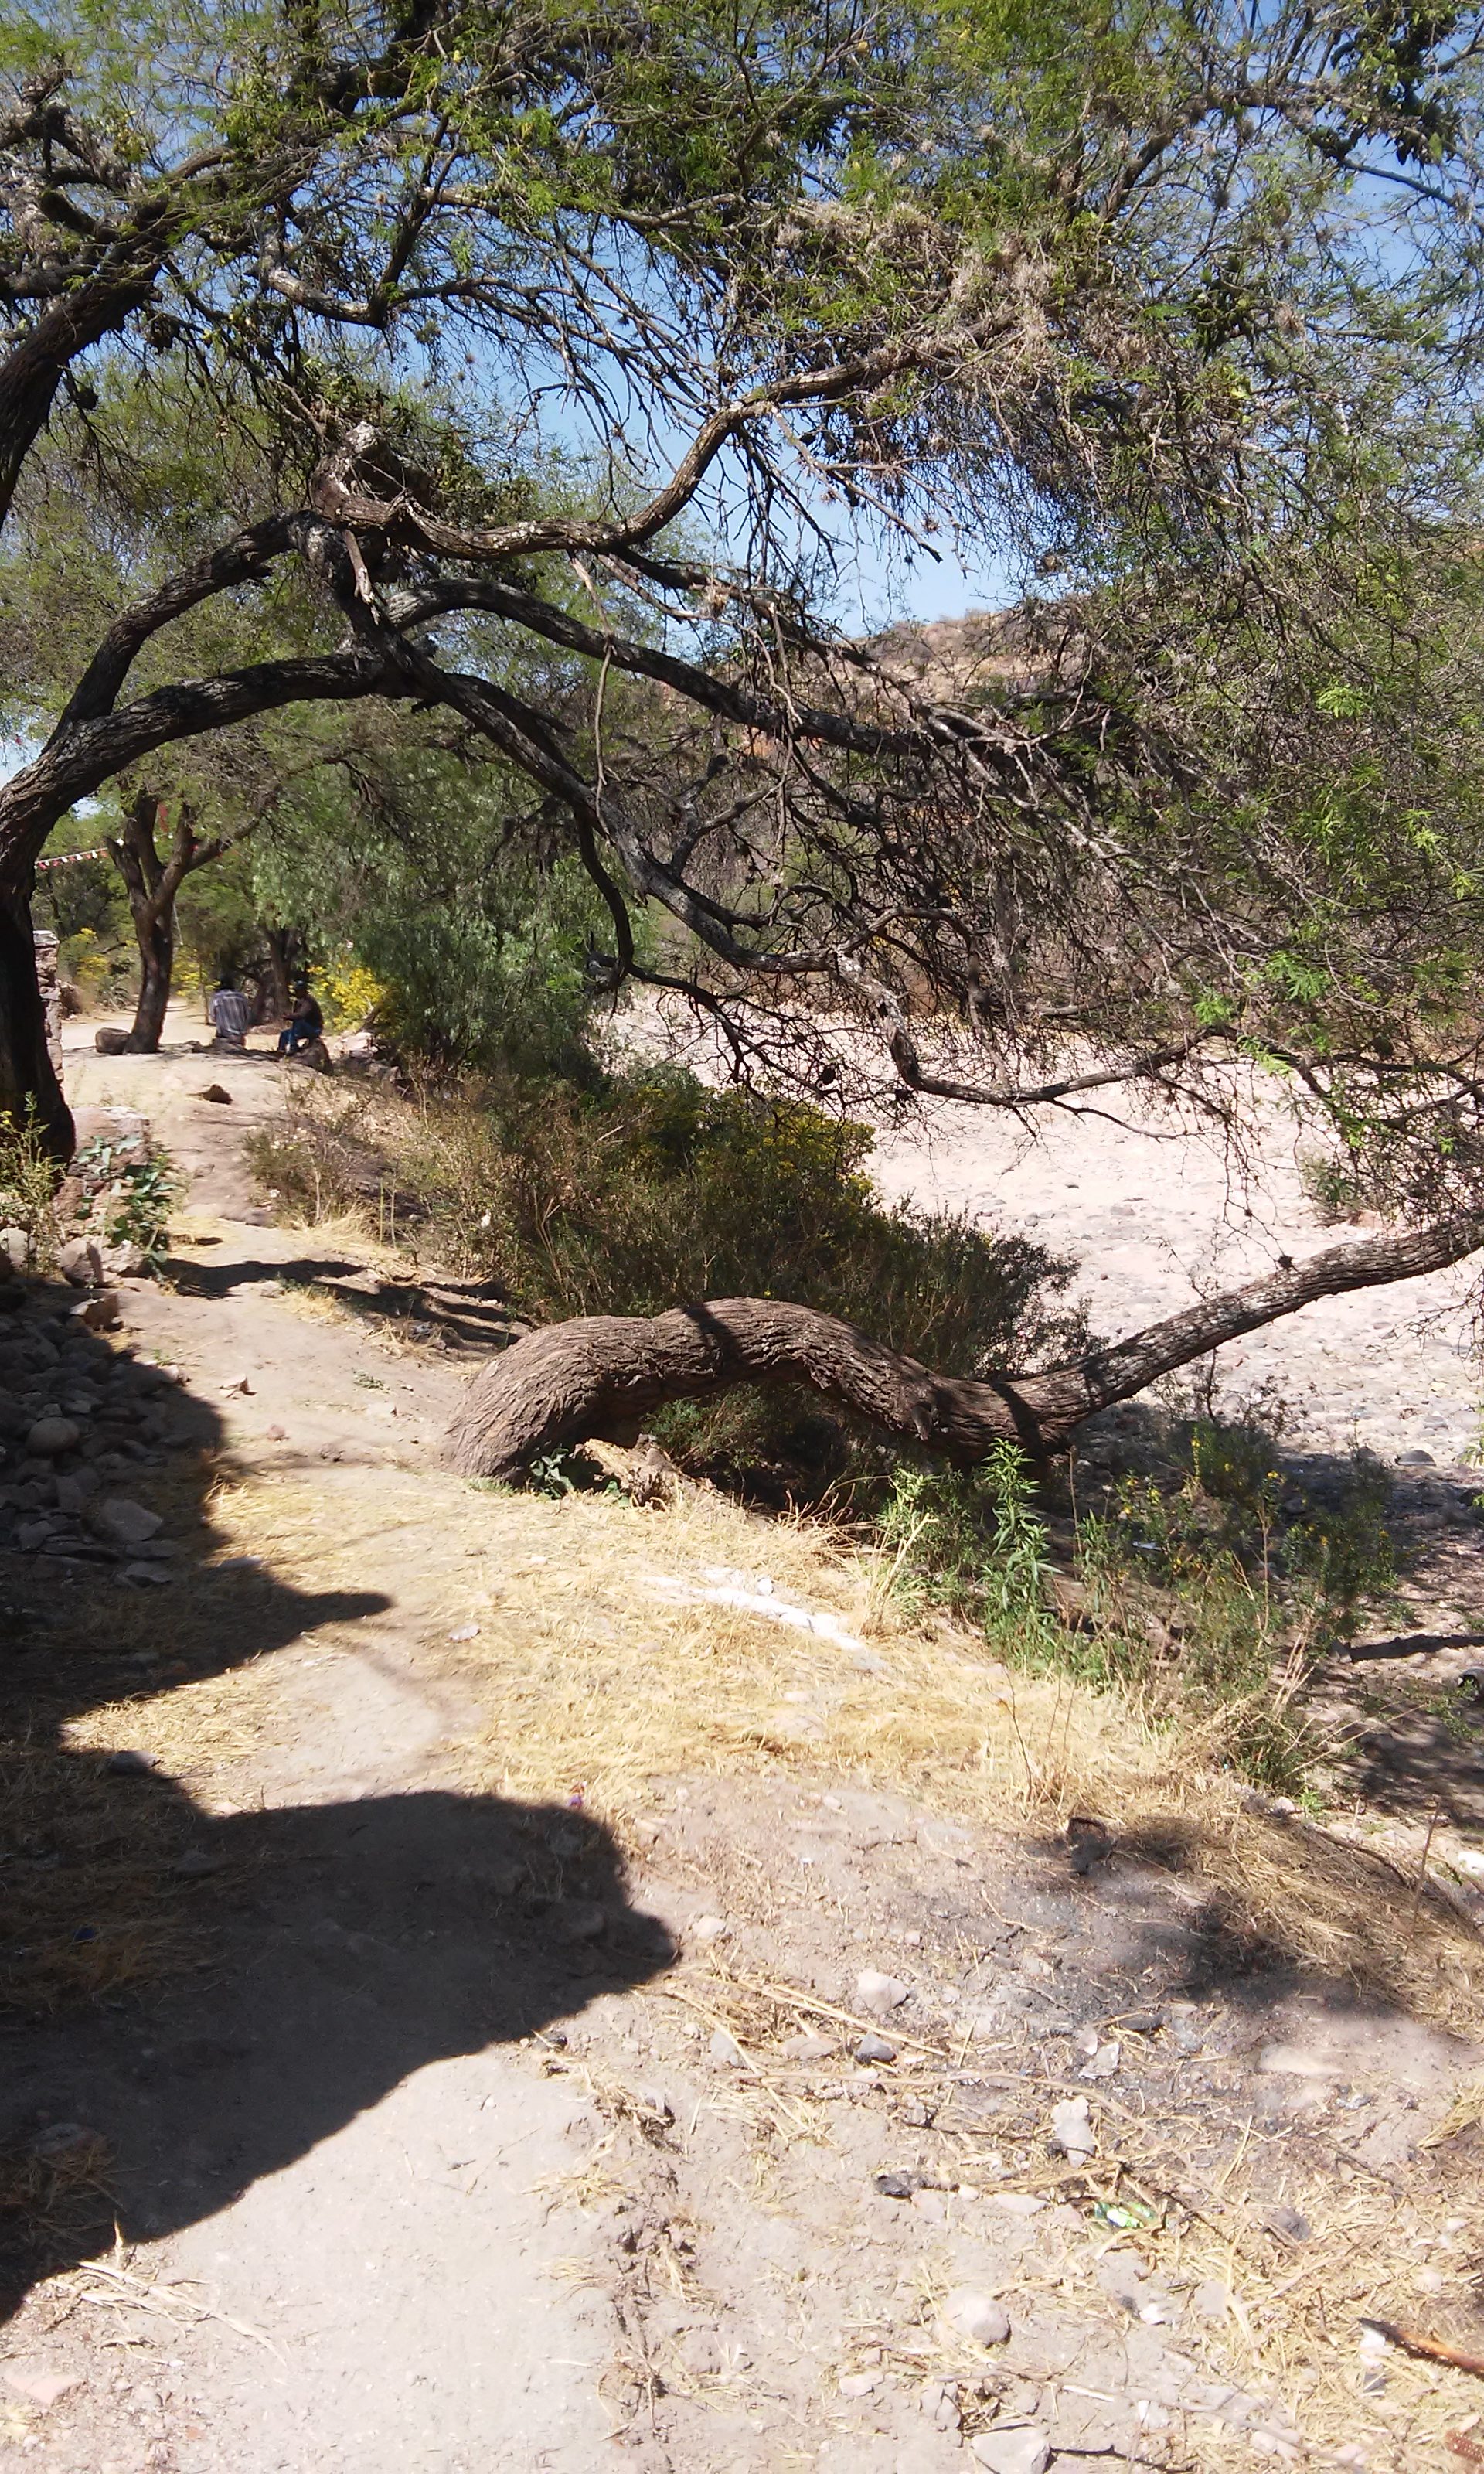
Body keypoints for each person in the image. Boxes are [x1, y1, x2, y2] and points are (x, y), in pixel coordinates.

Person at [277, 980, 324, 1055]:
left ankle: (293, 1046)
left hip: (314, 1029)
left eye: (297, 991)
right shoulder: (299, 1002)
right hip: (303, 1028)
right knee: (285, 1034)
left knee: (298, 1021)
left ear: (303, 991)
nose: (296, 993)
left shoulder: (309, 1001)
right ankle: (281, 1050)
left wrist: (289, 1016)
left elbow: (301, 1015)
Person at [207, 976, 252, 1050]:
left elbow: (213, 1018)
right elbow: (247, 1015)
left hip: (224, 1034)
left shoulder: (217, 997)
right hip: (240, 1035)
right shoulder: (241, 996)